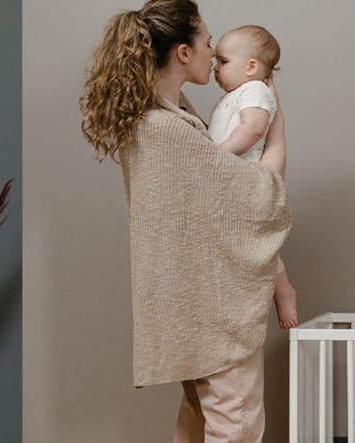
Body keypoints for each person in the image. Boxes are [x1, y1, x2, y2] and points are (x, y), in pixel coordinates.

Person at [79, 1, 291, 441]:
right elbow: (256, 196)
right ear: (182, 52)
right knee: (235, 423)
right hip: (213, 313)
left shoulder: (166, 122)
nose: (213, 55)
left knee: (199, 423)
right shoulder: (168, 130)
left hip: (190, 309)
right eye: (208, 44)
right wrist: (277, 128)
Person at [206, 24, 298, 330]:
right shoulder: (237, 93)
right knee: (252, 247)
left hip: (247, 183)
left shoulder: (255, 90)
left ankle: (283, 293)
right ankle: (280, 291)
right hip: (231, 182)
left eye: (223, 61)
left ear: (251, 66)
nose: (216, 68)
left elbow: (254, 129)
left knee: (259, 247)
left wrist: (217, 154)